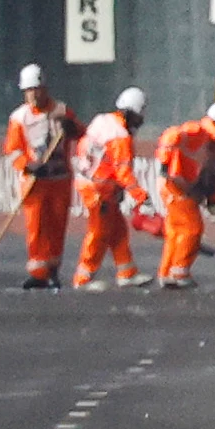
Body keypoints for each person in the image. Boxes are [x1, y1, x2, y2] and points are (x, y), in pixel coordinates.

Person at [153, 101, 215, 290]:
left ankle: (167, 273)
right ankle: (180, 272)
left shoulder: (213, 146)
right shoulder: (198, 132)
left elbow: (210, 178)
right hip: (176, 185)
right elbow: (171, 135)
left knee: (176, 232)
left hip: (183, 187)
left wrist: (213, 202)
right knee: (191, 229)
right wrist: (164, 165)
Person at [5, 64, 78, 290]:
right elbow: (13, 150)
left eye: (37, 90)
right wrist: (28, 166)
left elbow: (81, 134)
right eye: (29, 91)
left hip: (59, 179)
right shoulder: (19, 118)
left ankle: (53, 269)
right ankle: (38, 272)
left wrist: (71, 127)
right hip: (34, 182)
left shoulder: (62, 111)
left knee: (57, 225)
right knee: (35, 226)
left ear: (45, 89)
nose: (33, 95)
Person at [72, 86, 150, 290]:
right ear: (130, 113)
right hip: (99, 189)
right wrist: (142, 198)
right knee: (99, 232)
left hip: (91, 182)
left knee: (117, 229)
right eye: (139, 116)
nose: (140, 122)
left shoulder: (101, 121)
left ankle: (127, 272)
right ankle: (83, 278)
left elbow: (85, 147)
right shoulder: (120, 136)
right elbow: (123, 172)